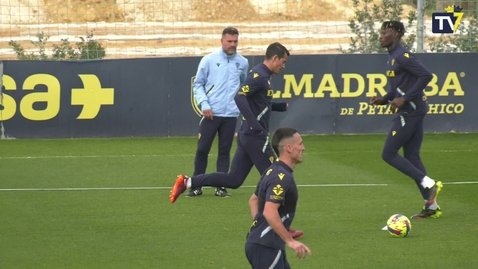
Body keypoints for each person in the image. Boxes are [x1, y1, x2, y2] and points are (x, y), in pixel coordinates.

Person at [170, 42, 304, 239]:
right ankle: (279, 225)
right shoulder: (259, 76)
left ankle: (188, 182)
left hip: (248, 136)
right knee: (279, 178)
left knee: (234, 180)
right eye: (283, 61)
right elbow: (240, 97)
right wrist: (255, 124)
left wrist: (277, 106)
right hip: (255, 137)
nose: (284, 66)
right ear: (274, 58)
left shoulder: (264, 76)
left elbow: (256, 102)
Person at [371, 21, 443, 219]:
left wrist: (404, 99)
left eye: (384, 32)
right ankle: (431, 206)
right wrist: (384, 99)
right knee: (412, 156)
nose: (381, 36)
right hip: (413, 110)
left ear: (395, 34)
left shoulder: (403, 56)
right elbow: (397, 88)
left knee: (388, 153)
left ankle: (429, 184)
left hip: (410, 111)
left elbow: (426, 76)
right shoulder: (392, 58)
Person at [187, 26, 249, 198]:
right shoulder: (208, 60)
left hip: (230, 115)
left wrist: (239, 108)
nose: (232, 44)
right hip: (210, 113)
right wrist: (204, 104)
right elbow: (198, 84)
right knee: (202, 150)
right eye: (229, 41)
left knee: (224, 151)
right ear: (221, 40)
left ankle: (221, 187)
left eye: (235, 41)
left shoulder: (242, 62)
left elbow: (243, 86)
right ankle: (196, 186)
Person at [245, 127, 311, 269]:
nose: (303, 148)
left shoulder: (272, 170)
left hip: (267, 245)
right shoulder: (281, 177)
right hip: (265, 248)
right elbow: (269, 211)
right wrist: (290, 241)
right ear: (288, 148)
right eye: (300, 144)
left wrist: (260, 227)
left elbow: (253, 201)